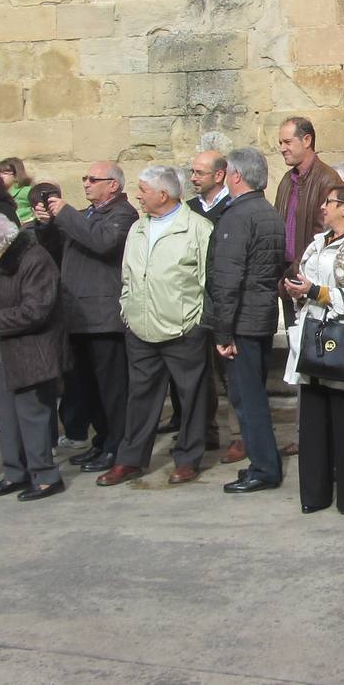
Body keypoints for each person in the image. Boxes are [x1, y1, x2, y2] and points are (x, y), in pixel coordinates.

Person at [97, 166, 213, 487]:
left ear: (163, 194)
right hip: (140, 328)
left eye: (143, 189)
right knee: (140, 397)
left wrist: (198, 323)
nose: (138, 195)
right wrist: (127, 308)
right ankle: (130, 460)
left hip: (182, 328)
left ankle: (188, 458)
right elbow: (128, 274)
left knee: (191, 398)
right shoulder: (137, 228)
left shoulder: (197, 229)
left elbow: (208, 282)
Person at [36, 161, 138, 473]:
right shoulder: (84, 215)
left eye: (94, 179)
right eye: (85, 178)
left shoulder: (123, 214)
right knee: (87, 386)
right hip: (76, 315)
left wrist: (65, 214)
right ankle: (102, 440)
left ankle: (117, 445)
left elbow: (103, 243)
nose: (86, 183)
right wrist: (46, 225)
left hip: (103, 316)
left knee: (111, 387)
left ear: (113, 185)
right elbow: (58, 249)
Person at [286, 182, 344, 514]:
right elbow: (306, 276)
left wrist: (314, 292)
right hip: (314, 338)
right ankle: (314, 492)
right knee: (313, 419)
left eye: (330, 202)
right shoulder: (318, 242)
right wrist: (298, 289)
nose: (323, 207)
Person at [0, 212, 67, 502]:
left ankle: (45, 476)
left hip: (31, 352)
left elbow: (38, 308)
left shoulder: (35, 259)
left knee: (32, 416)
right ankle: (15, 473)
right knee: (7, 417)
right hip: (3, 352)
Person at [207, 147, 288, 495]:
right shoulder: (267, 212)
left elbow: (228, 277)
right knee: (251, 395)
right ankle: (263, 463)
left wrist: (223, 331)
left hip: (242, 321)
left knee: (248, 398)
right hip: (259, 317)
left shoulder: (238, 216)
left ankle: (264, 468)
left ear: (236, 176)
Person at [184, 149, 236, 461]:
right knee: (198, 374)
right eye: (192, 172)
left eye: (199, 173)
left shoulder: (233, 208)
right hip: (193, 302)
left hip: (223, 301)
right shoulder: (188, 210)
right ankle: (204, 431)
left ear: (219, 175)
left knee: (230, 375)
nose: (193, 178)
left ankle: (240, 436)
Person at [275, 117, 342, 324]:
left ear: (306, 140)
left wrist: (294, 274)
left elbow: (322, 236)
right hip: (287, 276)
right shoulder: (287, 180)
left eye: (287, 142)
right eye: (280, 143)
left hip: (309, 279)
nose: (282, 148)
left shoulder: (327, 179)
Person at [0, 158, 34, 224]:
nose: (0, 176)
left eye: (5, 173)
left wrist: (30, 220)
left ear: (16, 174)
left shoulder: (27, 191)